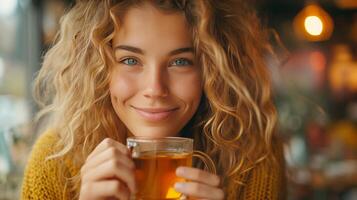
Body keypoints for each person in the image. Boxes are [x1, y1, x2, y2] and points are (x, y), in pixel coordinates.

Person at [21, 0, 286, 199]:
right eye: (130, 60)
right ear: (98, 67)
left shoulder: (252, 159)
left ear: (213, 69)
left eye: (180, 62)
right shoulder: (53, 164)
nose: (155, 88)